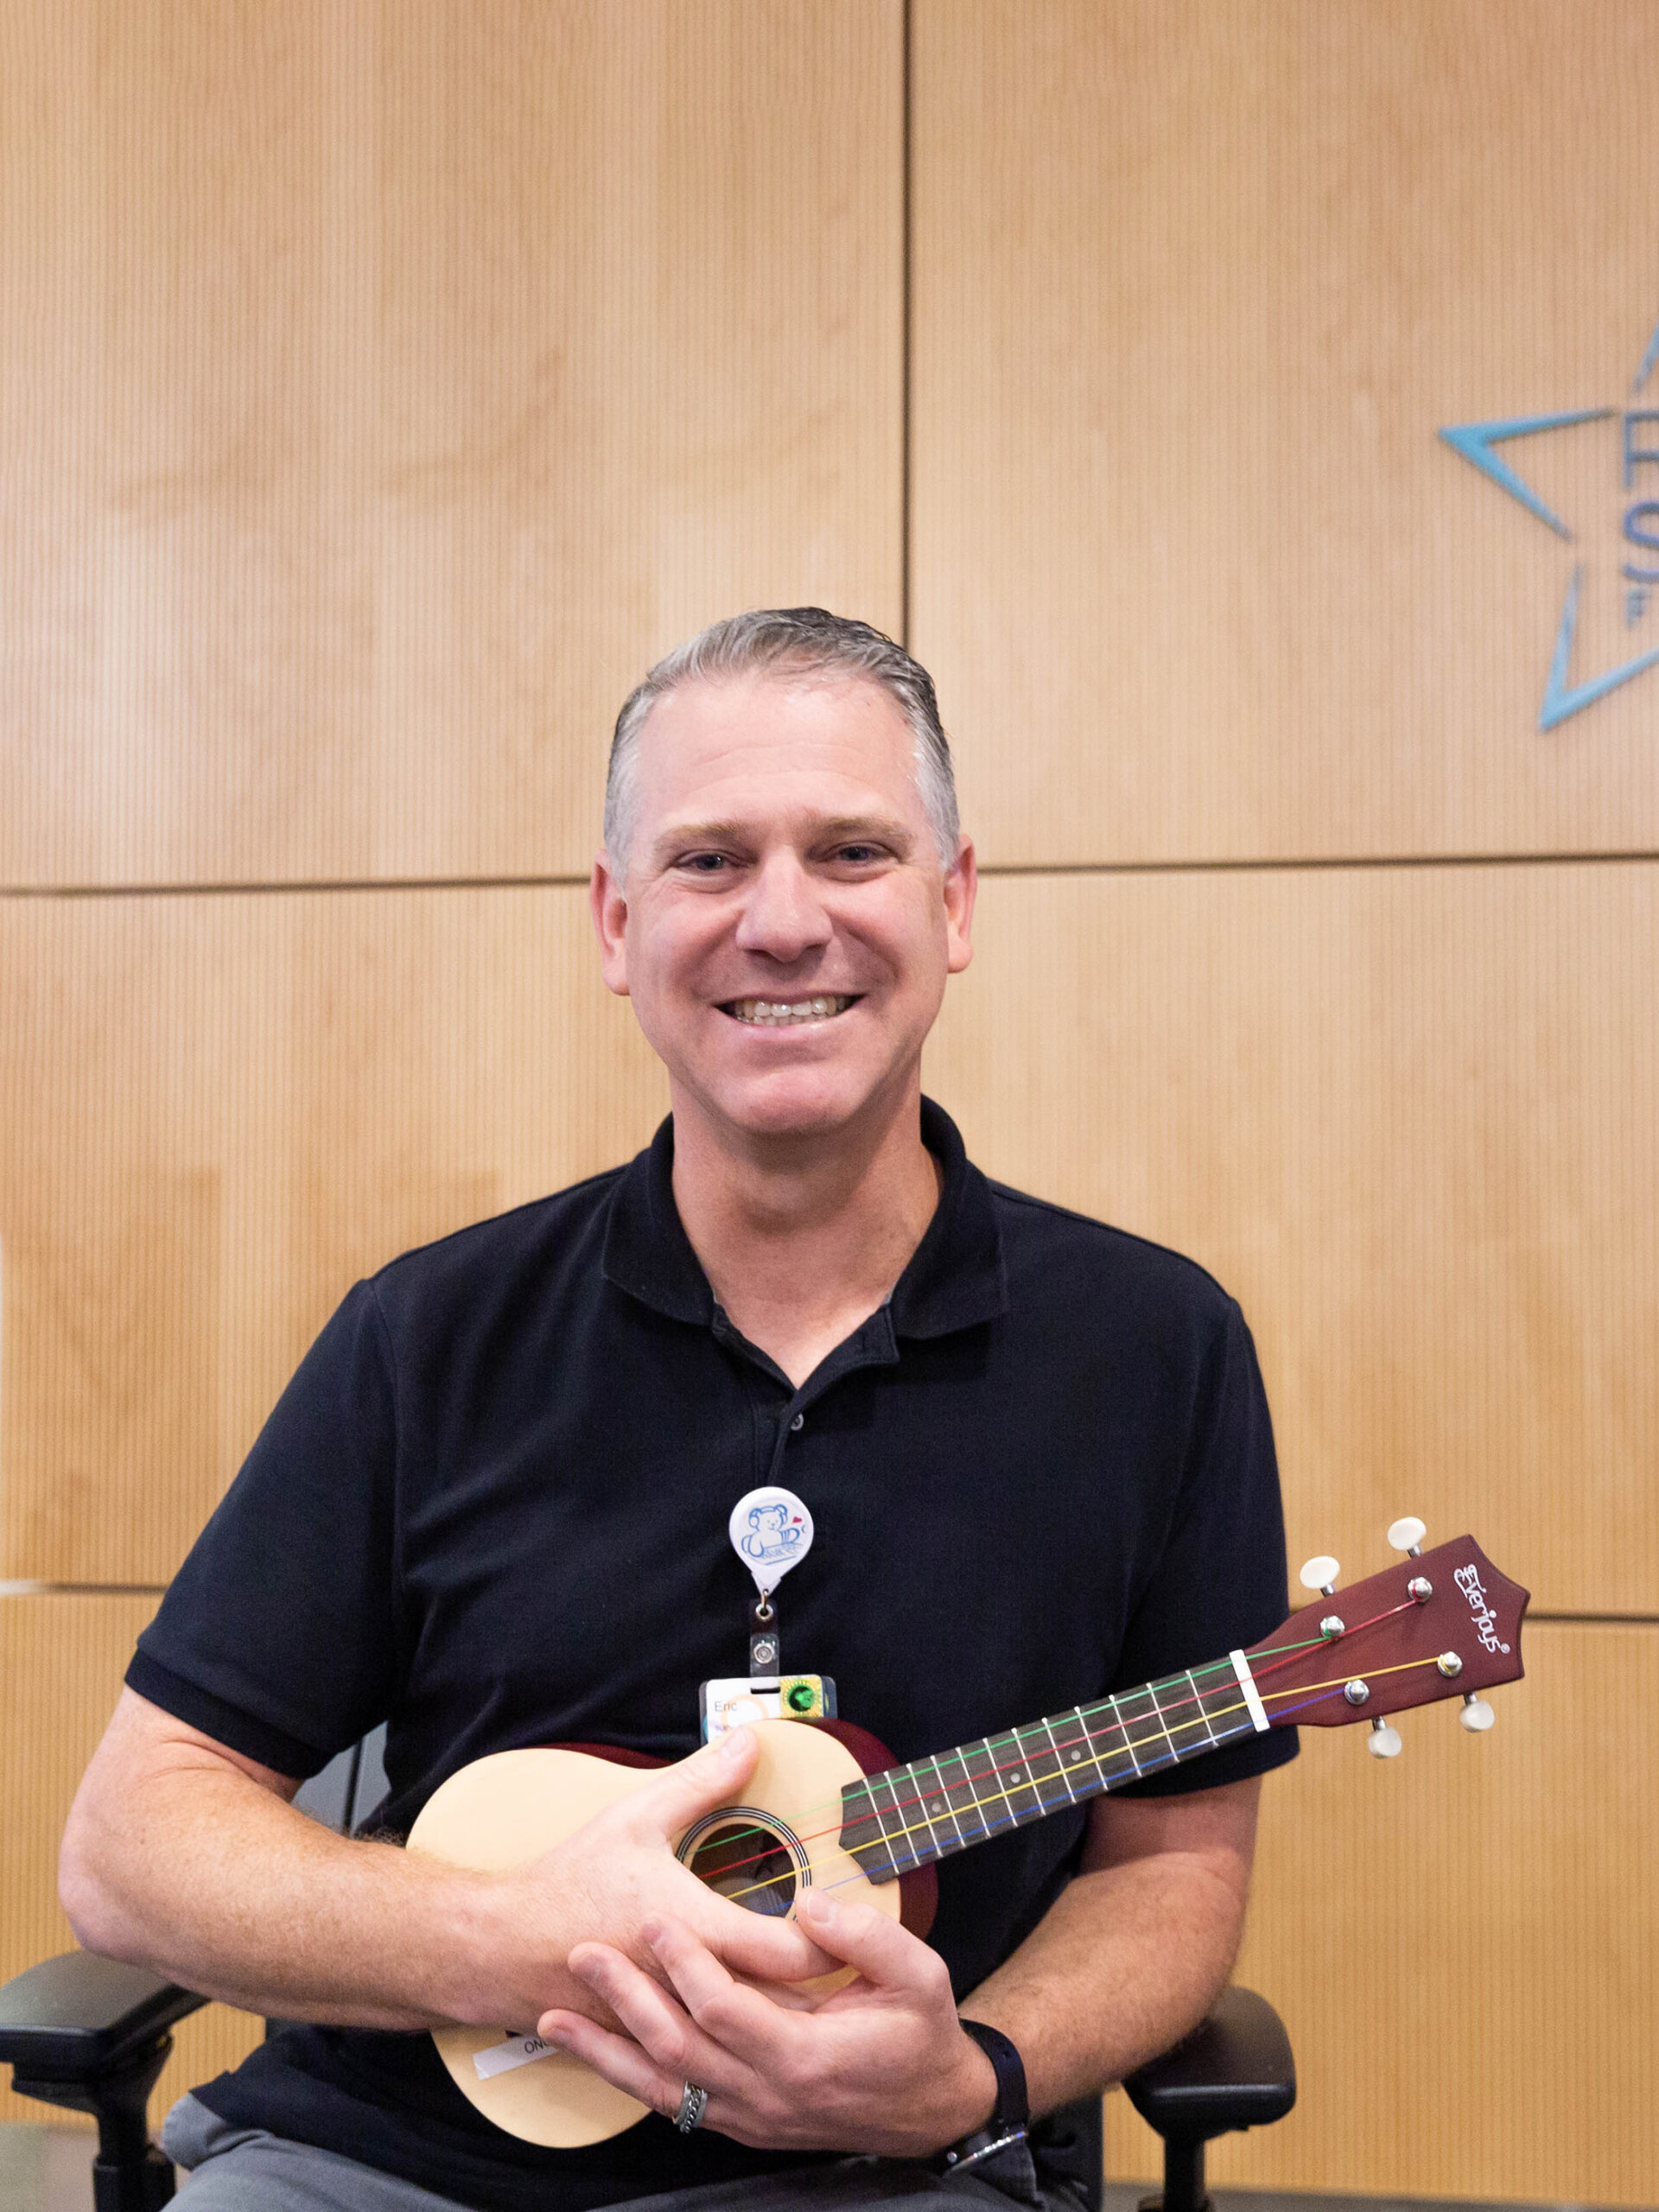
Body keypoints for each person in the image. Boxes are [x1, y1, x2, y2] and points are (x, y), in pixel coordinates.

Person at [60, 610, 1296, 2212]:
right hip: (381, 2165)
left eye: (851, 850)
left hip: (886, 2176)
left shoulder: (1155, 1350)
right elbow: (131, 1847)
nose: (784, 923)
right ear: (616, 921)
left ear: (955, 901)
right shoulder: (427, 1336)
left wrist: (968, 2074)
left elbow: (1174, 1866)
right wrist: (510, 1941)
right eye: (711, 862)